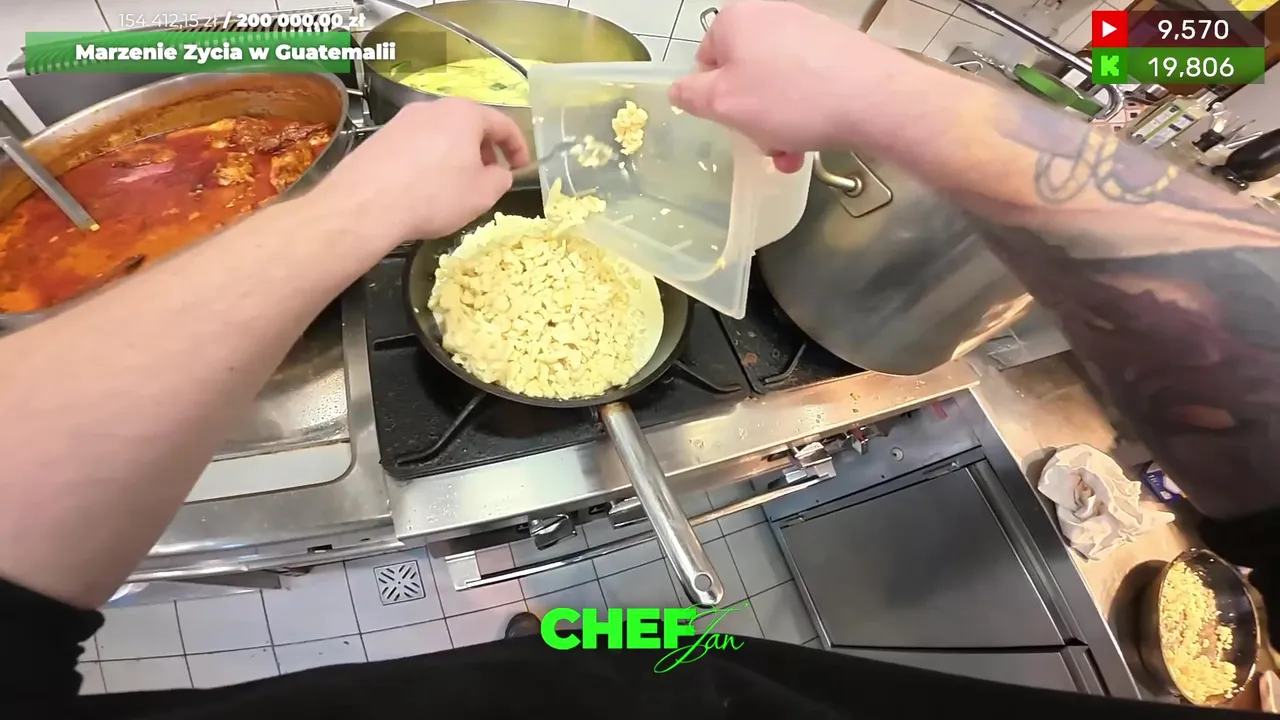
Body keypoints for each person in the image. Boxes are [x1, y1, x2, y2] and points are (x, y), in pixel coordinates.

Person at [1, 1, 1276, 716]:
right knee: (636, 646)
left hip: (612, 678)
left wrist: (359, 208)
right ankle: (561, 644)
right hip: (638, 679)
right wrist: (896, 98)